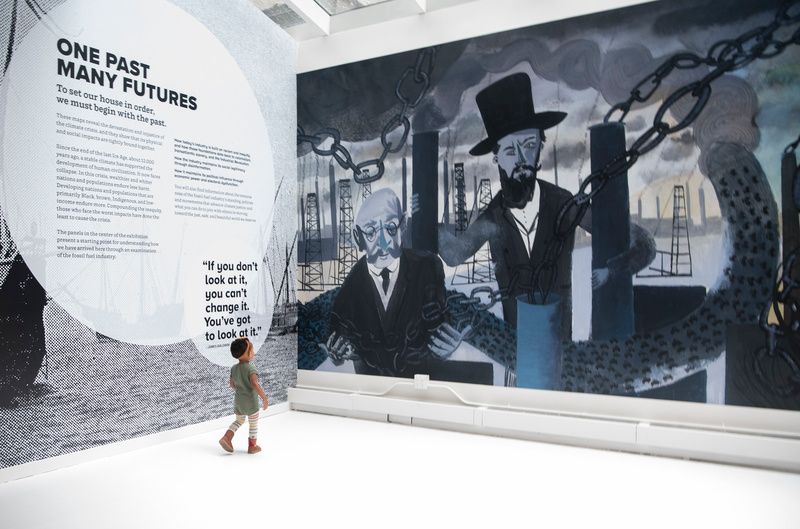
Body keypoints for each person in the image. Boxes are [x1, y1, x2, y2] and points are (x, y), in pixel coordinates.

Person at [438, 72, 654, 335]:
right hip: (514, 352)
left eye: (529, 145)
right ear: (497, 159)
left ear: (540, 148)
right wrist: (421, 222)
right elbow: (454, 254)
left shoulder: (564, 205)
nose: (520, 158)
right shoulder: (493, 218)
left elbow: (643, 244)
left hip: (560, 350)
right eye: (509, 150)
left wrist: (613, 270)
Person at [321, 188, 471, 378]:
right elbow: (338, 341)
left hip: (419, 388)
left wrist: (448, 347)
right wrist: (338, 356)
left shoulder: (428, 267)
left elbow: (439, 325)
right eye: (371, 232)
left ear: (403, 227)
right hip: (372, 392)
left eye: (391, 229)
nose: (383, 243)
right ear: (358, 237)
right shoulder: (352, 286)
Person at [219, 337, 269, 454]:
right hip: (251, 402)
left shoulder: (234, 368)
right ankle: (252, 446)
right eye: (251, 350)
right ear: (246, 354)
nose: (253, 353)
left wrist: (240, 387)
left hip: (239, 401)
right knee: (253, 424)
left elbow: (232, 385)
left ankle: (227, 437)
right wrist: (264, 399)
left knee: (239, 421)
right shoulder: (251, 368)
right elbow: (255, 384)